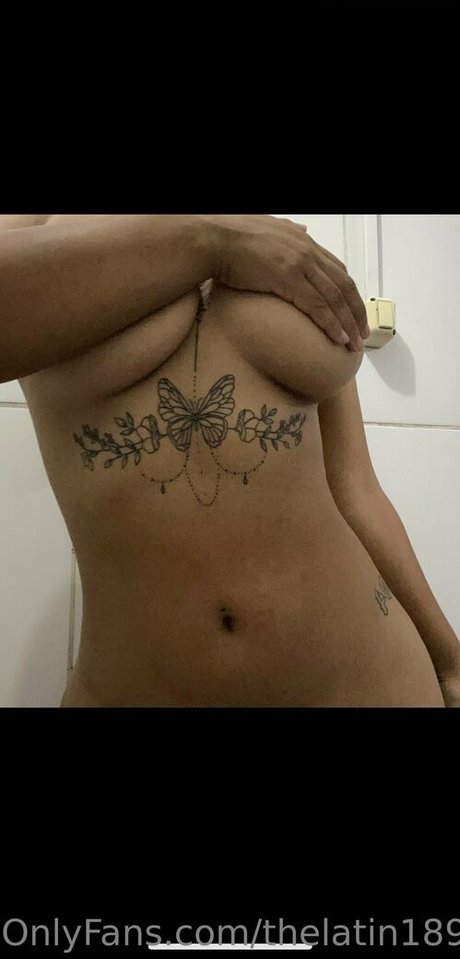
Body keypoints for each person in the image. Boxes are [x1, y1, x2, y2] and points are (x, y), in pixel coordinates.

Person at [1, 214, 459, 707]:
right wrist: (212, 241)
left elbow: (354, 488)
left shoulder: (284, 247)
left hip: (374, 681)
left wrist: (450, 663)